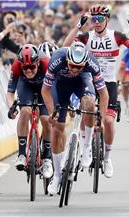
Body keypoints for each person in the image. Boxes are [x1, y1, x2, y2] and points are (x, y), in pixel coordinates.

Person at [63, 4, 129, 178]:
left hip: (109, 83)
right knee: (88, 111)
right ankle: (86, 148)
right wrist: (78, 26)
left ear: (107, 20)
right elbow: (65, 46)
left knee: (108, 122)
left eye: (100, 19)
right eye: (94, 19)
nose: (97, 22)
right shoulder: (86, 37)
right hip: (89, 81)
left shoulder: (117, 36)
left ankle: (107, 158)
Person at [41, 41, 109, 194]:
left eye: (79, 67)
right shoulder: (57, 59)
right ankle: (57, 175)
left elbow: (104, 94)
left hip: (82, 82)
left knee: (90, 105)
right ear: (68, 60)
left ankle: (86, 148)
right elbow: (45, 91)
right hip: (60, 85)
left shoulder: (91, 63)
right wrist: (53, 112)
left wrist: (101, 119)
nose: (75, 69)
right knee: (57, 128)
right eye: (72, 65)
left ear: (85, 63)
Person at [6, 44, 53, 179]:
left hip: (45, 88)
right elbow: (10, 93)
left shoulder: (46, 64)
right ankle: (22, 154)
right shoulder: (16, 66)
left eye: (32, 67)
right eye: (25, 68)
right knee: (25, 111)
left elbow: (54, 90)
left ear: (37, 62)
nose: (28, 71)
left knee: (46, 119)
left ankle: (48, 158)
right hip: (25, 86)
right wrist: (11, 107)